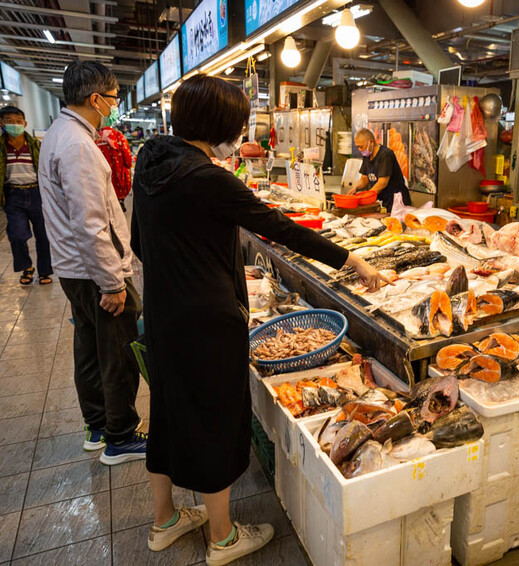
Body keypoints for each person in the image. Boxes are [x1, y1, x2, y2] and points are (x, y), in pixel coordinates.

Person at [130, 74, 388, 565]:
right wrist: (351, 259)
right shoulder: (210, 179)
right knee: (215, 421)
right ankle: (223, 539)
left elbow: (139, 243)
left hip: (163, 315)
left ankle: (164, 521)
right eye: (237, 124)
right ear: (218, 125)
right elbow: (279, 228)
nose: (239, 134)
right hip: (208, 321)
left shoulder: (149, 163)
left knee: (165, 412)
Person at [38, 61, 145, 465]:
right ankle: (121, 437)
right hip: (93, 270)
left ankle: (97, 426)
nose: (115, 107)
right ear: (96, 98)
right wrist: (112, 283)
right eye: (114, 98)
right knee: (118, 352)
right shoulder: (78, 146)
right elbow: (90, 223)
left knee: (88, 347)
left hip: (75, 268)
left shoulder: (60, 133)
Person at [0, 106, 53, 285]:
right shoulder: (1, 148)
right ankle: (27, 267)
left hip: (36, 193)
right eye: (9, 121)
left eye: (18, 121)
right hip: (12, 195)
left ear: (25, 123)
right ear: (1, 123)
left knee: (43, 235)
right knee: (17, 235)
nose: (14, 125)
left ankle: (45, 270)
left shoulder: (35, 145)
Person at [348, 128, 411, 213]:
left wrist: (366, 196)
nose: (359, 149)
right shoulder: (367, 155)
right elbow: (364, 179)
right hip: (383, 200)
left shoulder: (385, 155)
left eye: (361, 147)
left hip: (397, 201)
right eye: (357, 147)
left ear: (371, 143)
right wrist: (355, 188)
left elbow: (382, 183)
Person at [97, 110, 133, 211]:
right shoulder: (119, 137)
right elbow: (128, 161)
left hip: (102, 179)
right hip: (119, 177)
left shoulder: (95, 138)